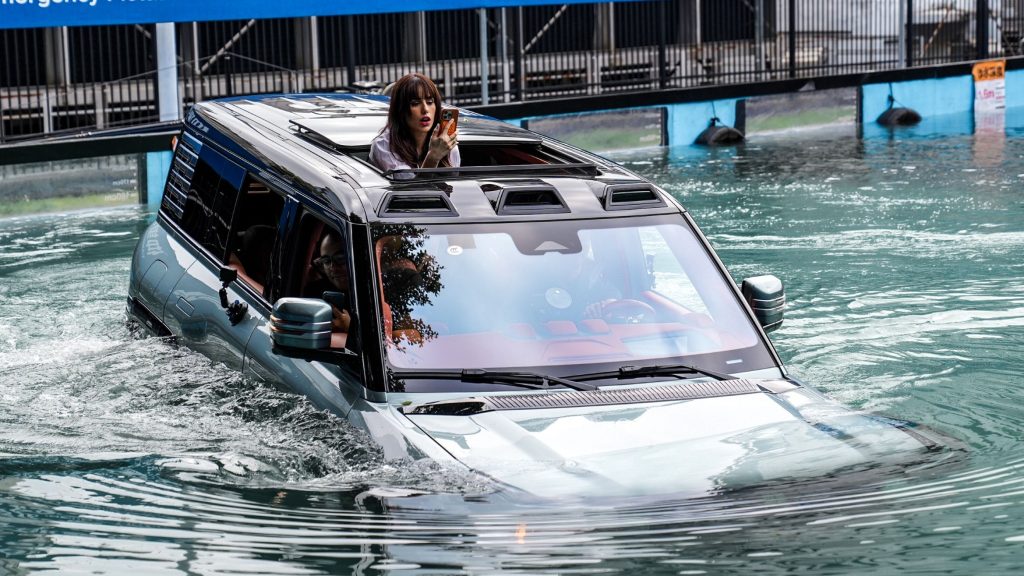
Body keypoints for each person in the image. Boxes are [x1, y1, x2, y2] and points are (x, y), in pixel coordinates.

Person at [369, 73, 460, 175]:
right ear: (400, 109)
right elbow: (412, 189)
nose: (425, 109)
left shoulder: (445, 143)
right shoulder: (384, 146)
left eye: (430, 102)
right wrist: (434, 156)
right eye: (415, 103)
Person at [304, 231, 352, 332]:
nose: (333, 268)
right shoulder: (312, 294)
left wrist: (351, 329)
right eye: (326, 261)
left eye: (340, 258)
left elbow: (391, 340)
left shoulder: (378, 289)